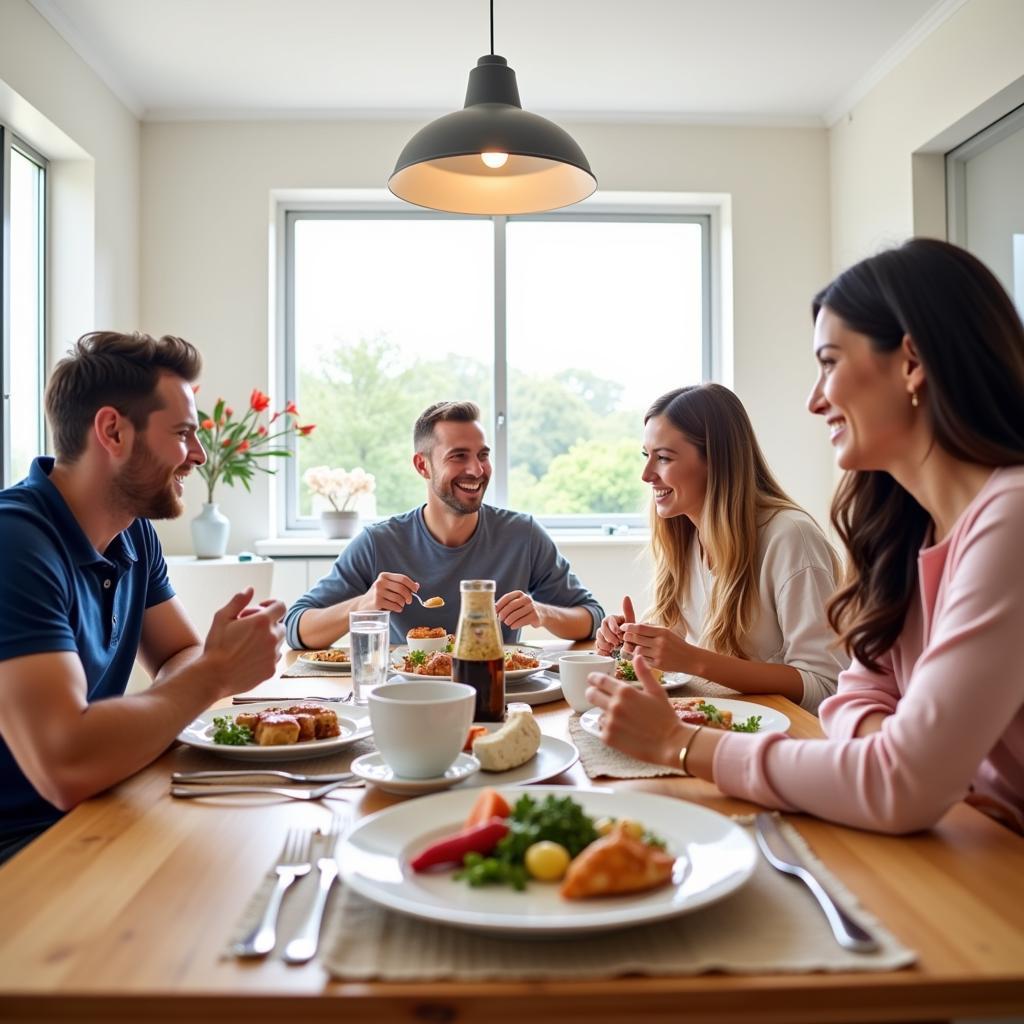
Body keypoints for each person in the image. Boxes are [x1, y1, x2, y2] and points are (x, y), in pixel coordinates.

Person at [588, 239, 1024, 835]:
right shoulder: (904, 529)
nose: (814, 400)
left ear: (912, 361)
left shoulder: (1012, 520)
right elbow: (856, 702)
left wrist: (681, 745)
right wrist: (912, 760)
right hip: (960, 837)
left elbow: (899, 779)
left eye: (829, 362)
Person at [0, 332, 286, 863]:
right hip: (23, 846)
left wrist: (187, 684)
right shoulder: (14, 544)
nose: (198, 455)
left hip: (98, 807)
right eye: (183, 434)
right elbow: (65, 766)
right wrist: (215, 675)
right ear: (112, 430)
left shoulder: (133, 532)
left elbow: (181, 653)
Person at [595, 383, 846, 713]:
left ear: (716, 460)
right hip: (720, 725)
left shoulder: (790, 538)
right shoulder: (684, 533)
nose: (646, 475)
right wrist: (630, 644)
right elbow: (669, 650)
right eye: (647, 456)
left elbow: (826, 687)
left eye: (664, 458)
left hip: (786, 741)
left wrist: (696, 661)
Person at [285, 400, 604, 648]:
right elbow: (296, 627)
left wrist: (543, 613)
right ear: (422, 465)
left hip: (495, 696)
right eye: (458, 456)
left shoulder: (522, 535)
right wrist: (364, 604)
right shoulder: (379, 543)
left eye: (482, 455)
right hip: (407, 701)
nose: (477, 470)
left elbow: (592, 618)